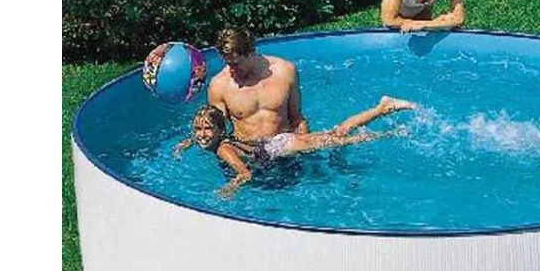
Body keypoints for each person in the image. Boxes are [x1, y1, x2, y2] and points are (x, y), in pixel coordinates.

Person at [175, 96, 416, 198]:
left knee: (341, 138)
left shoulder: (223, 149)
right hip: (276, 144)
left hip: (281, 147)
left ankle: (389, 126)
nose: (202, 134)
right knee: (338, 134)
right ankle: (383, 109)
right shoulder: (218, 139)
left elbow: (245, 175)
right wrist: (189, 142)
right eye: (197, 129)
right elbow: (203, 137)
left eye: (207, 129)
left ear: (220, 131)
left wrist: (228, 189)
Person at [207, 27, 309, 142]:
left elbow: (297, 119)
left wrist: (304, 145)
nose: (232, 70)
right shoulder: (218, 85)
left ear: (250, 53)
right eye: (228, 64)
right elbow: (217, 133)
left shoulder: (285, 71)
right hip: (246, 148)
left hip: (283, 145)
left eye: (236, 64)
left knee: (325, 138)